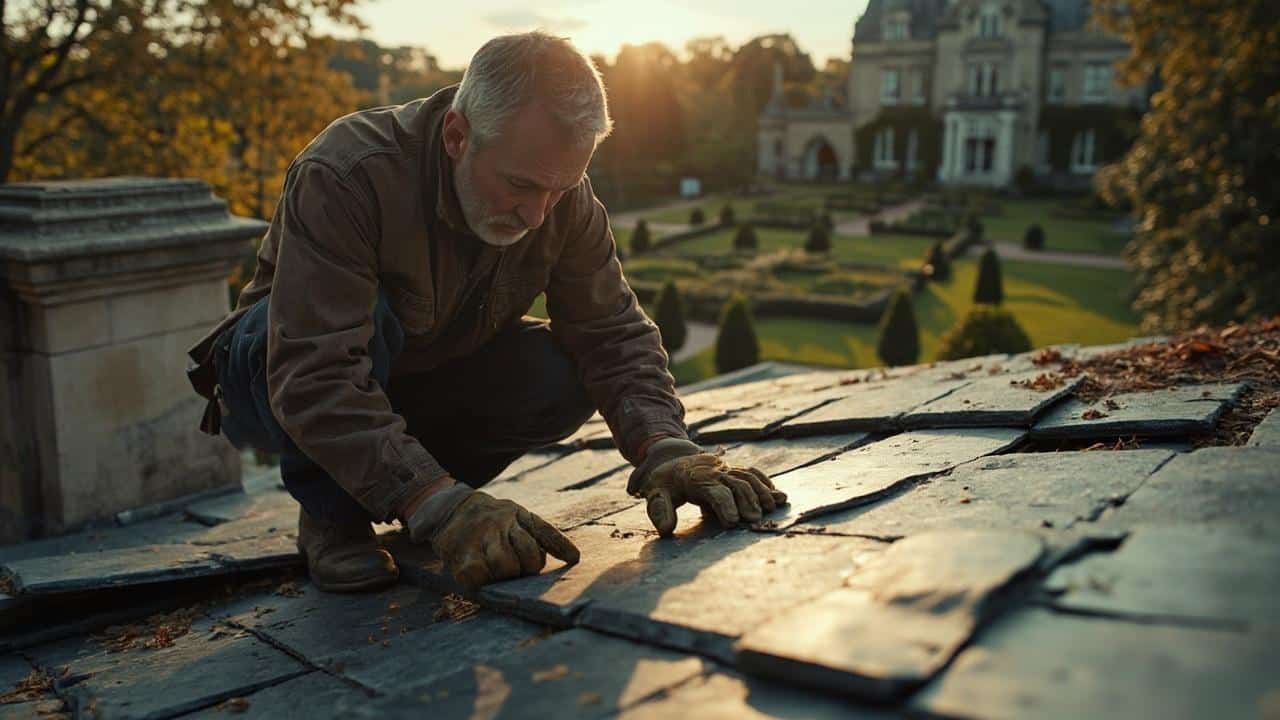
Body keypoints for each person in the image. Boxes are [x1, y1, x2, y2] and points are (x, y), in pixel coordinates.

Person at [185, 31, 787, 594]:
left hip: (421, 375)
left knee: (557, 371)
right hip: (277, 378)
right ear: (457, 136)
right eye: (521, 185)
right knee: (372, 317)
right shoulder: (348, 173)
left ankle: (419, 488)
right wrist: (439, 508)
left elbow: (611, 331)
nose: (537, 214)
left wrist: (664, 445)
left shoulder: (559, 196)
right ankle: (333, 512)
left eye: (559, 189)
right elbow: (314, 371)